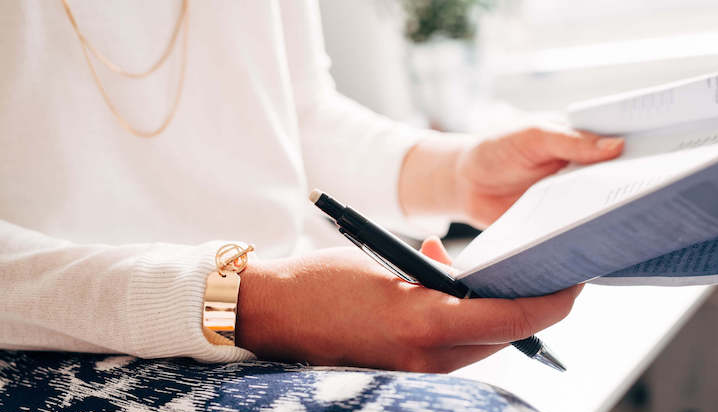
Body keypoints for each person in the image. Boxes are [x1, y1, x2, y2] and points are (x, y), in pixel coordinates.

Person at [0, 0, 623, 374]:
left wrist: (456, 175)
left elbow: (293, 110)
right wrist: (245, 303)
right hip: (46, 346)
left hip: (281, 299)